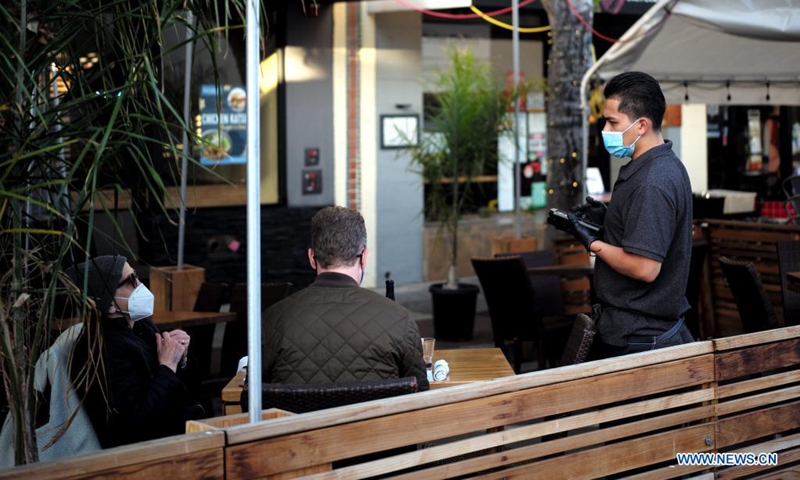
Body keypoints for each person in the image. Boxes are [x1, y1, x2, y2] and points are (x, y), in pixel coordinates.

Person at [557, 71, 694, 358]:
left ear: (641, 124)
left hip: (642, 338)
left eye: (612, 121)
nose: (605, 129)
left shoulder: (652, 181)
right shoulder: (659, 165)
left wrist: (592, 243)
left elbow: (645, 267)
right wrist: (608, 218)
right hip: (639, 330)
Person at [262, 206, 430, 390]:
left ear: (311, 257)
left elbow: (250, 397)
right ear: (364, 256)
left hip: (300, 420)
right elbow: (419, 393)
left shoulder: (272, 320)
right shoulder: (399, 319)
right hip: (374, 420)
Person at [67, 255, 205, 448]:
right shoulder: (104, 348)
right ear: (109, 304)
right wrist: (167, 366)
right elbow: (138, 418)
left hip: (181, 431)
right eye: (130, 281)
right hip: (149, 451)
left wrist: (180, 356)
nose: (140, 284)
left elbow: (184, 387)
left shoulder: (140, 326)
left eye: (136, 276)